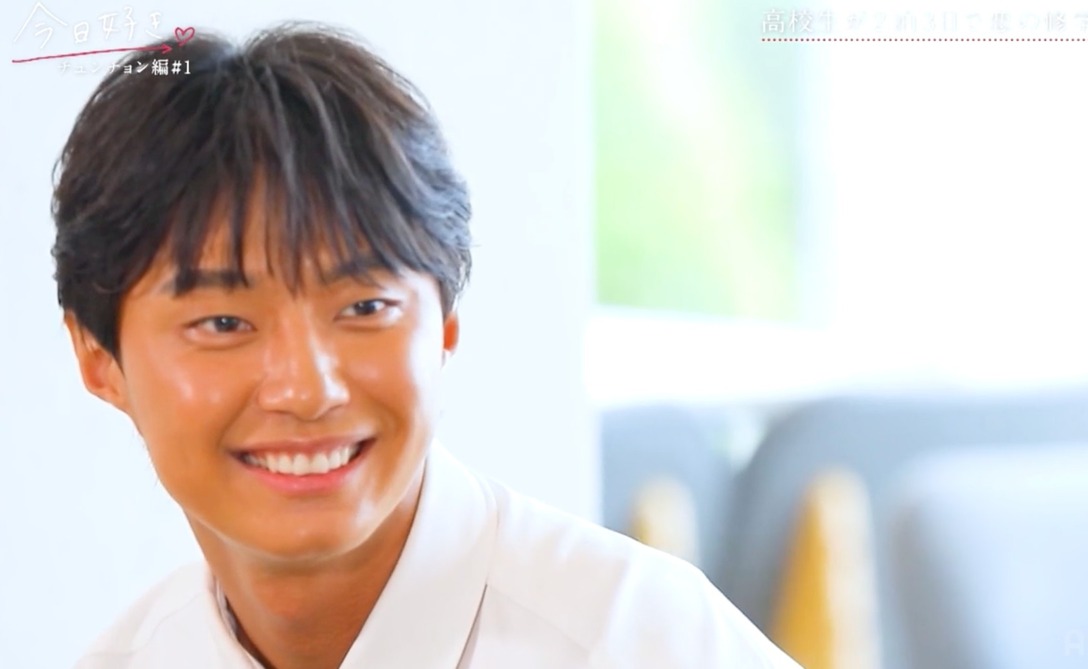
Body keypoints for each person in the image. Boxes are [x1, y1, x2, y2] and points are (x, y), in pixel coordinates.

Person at [54, 22, 802, 669]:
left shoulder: (643, 640)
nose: (307, 389)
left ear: (445, 324)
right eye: (223, 324)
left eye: (364, 307)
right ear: (98, 358)